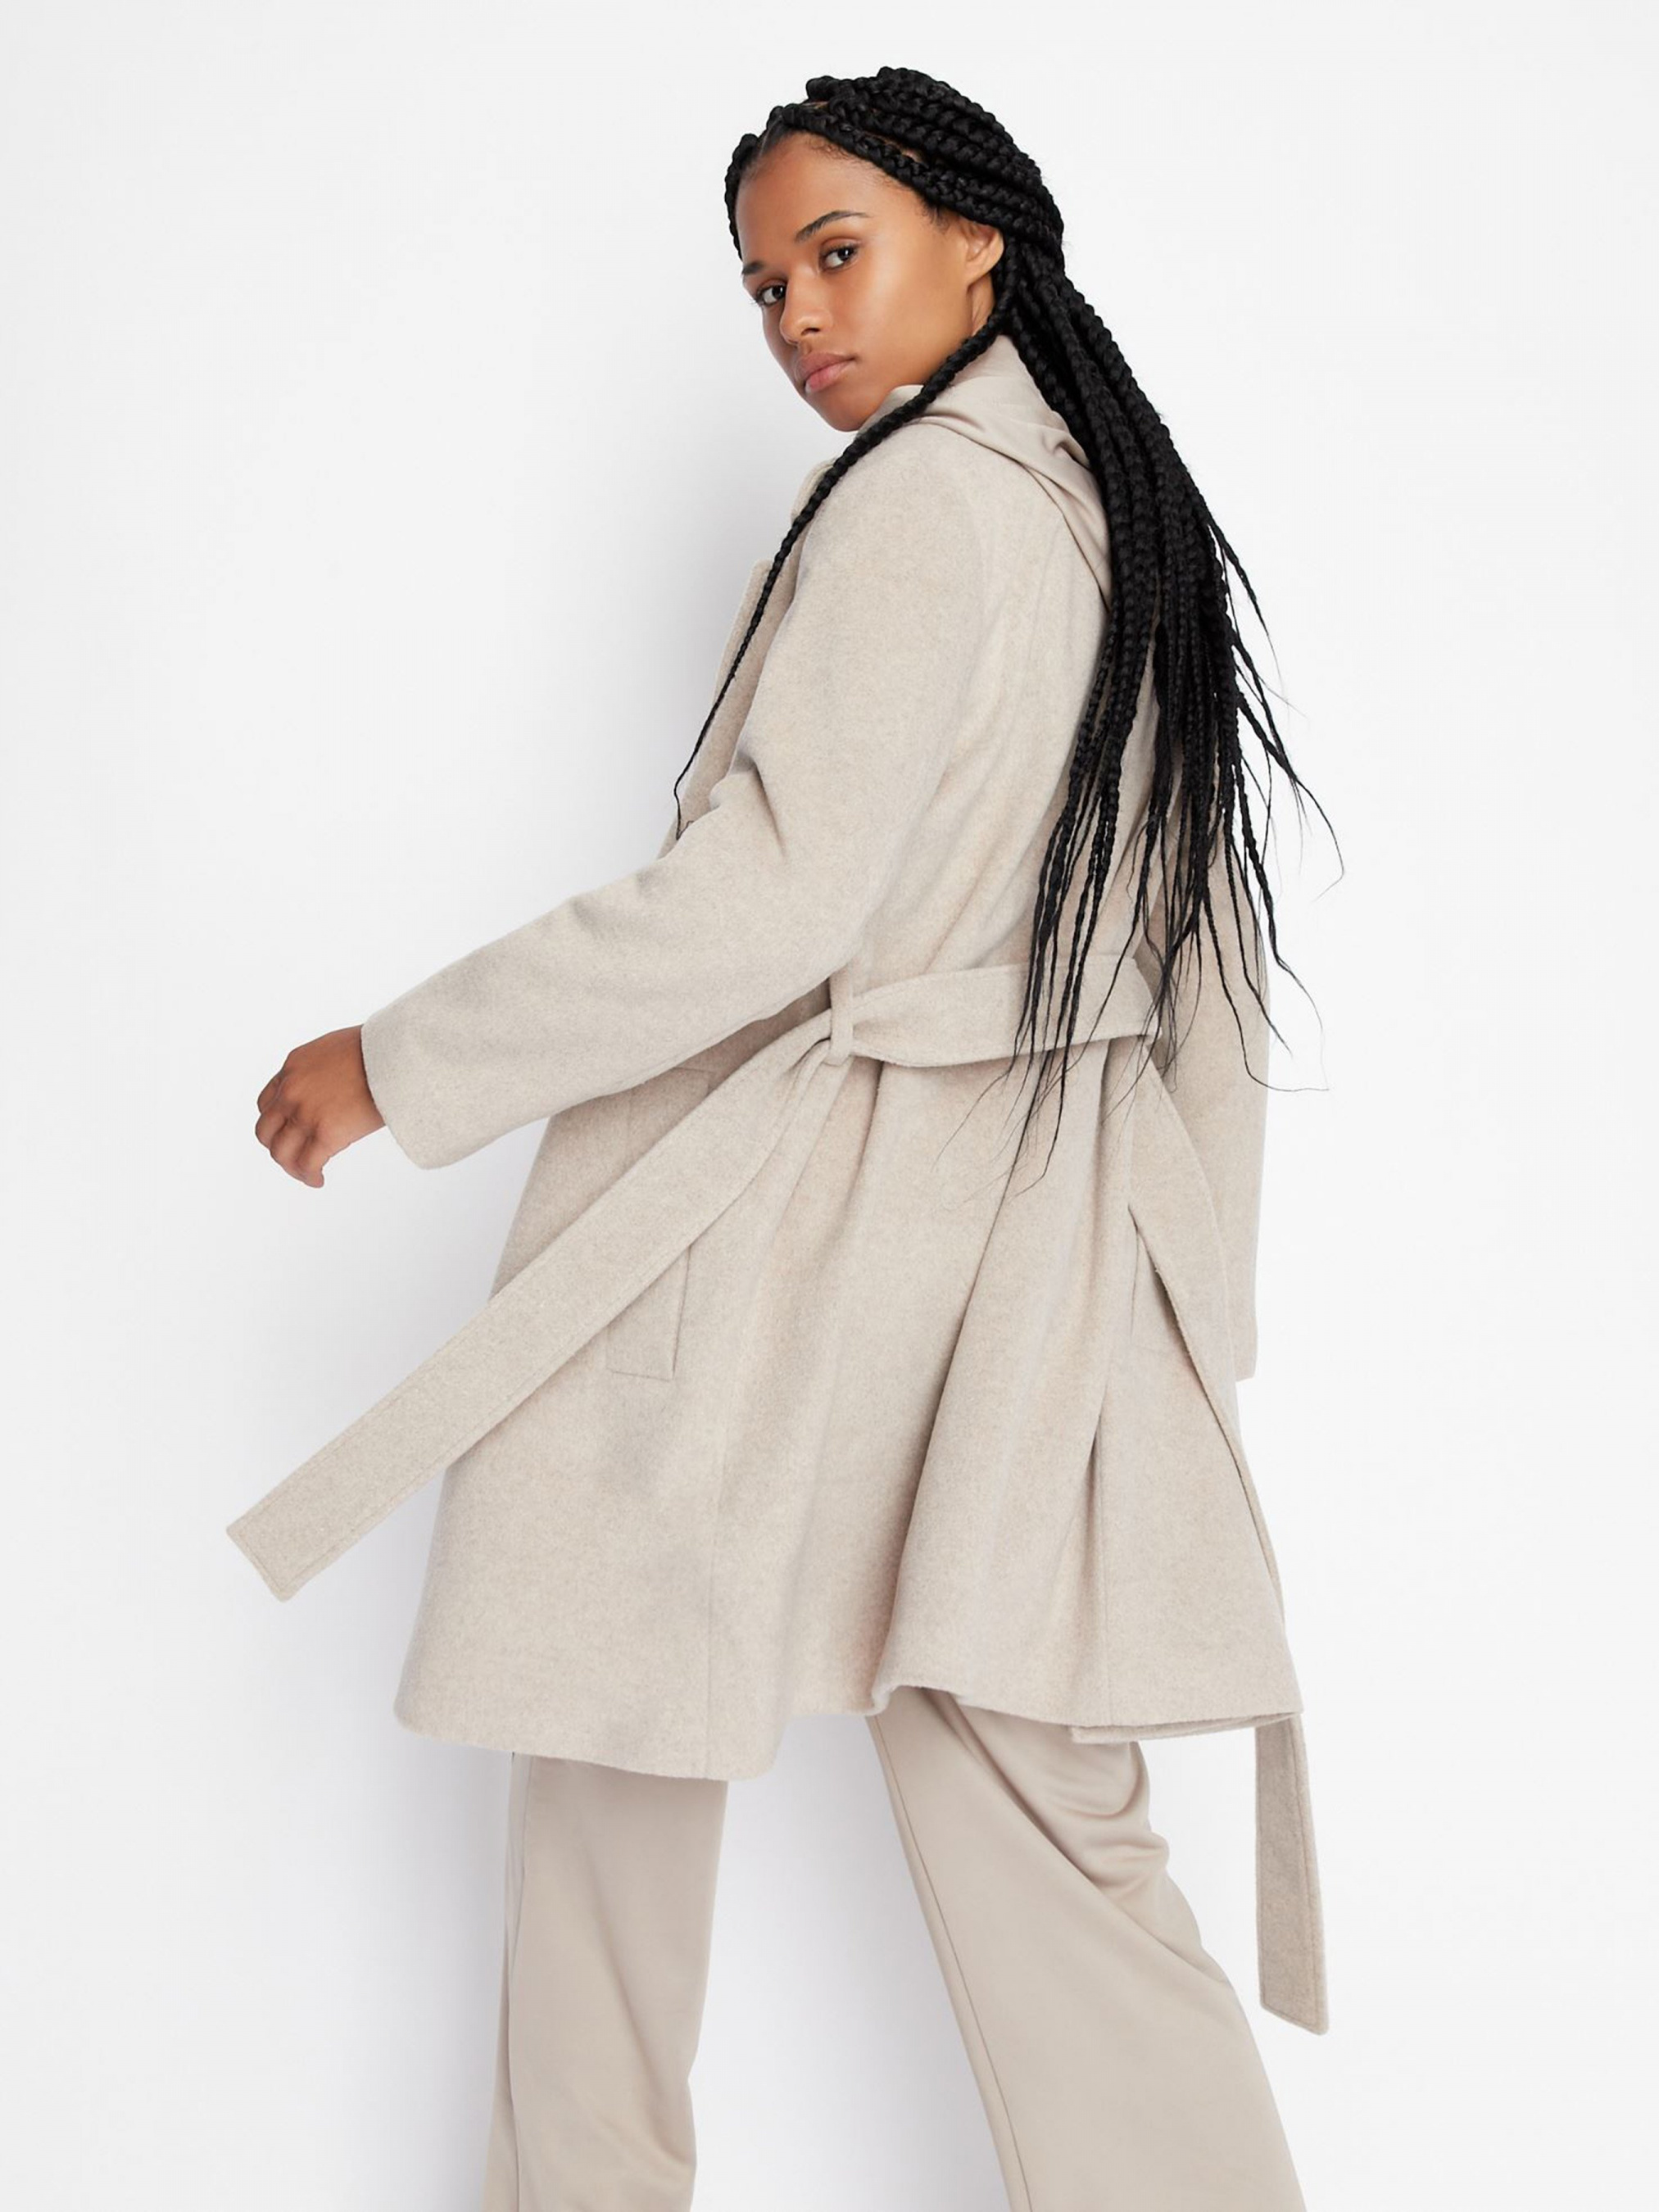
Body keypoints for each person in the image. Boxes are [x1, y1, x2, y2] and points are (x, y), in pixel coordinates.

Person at [234, 65, 1336, 2211]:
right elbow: (1212, 968)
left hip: (796, 1225)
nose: (798, 316)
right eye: (761, 287)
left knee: (614, 1708)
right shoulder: (1115, 516)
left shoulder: (928, 507)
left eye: (836, 253)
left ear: (977, 234)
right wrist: (1193, 1302)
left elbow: (765, 901)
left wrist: (400, 1061)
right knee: (1029, 1784)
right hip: (1042, 1239)